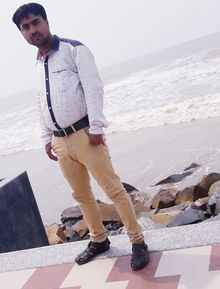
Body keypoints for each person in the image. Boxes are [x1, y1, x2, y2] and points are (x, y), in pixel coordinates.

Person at [12, 2, 149, 270]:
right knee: (82, 196)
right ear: (22, 33)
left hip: (85, 135)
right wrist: (46, 138)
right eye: (25, 27)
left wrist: (96, 128)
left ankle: (137, 241)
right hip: (60, 142)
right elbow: (43, 102)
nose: (32, 30)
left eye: (35, 22)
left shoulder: (74, 50)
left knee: (113, 190)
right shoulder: (39, 63)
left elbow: (93, 87)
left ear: (46, 22)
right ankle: (99, 240)